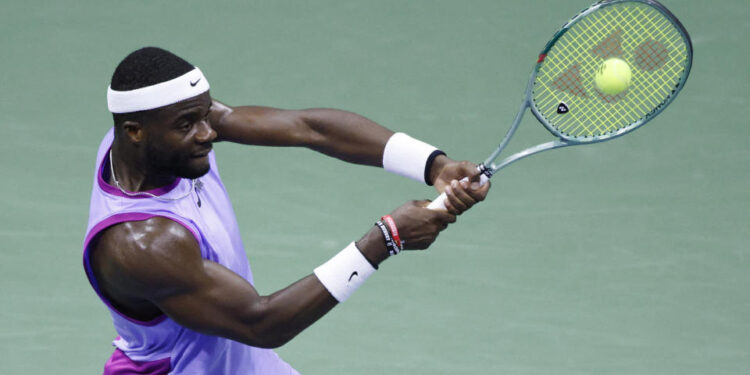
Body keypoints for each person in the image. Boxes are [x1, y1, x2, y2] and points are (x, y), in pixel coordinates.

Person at [82, 47, 490, 374]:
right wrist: (387, 238)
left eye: (206, 115)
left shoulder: (152, 138)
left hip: (241, 362)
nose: (209, 132)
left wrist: (433, 165)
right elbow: (261, 322)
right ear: (134, 131)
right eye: (188, 124)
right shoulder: (143, 244)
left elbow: (311, 128)